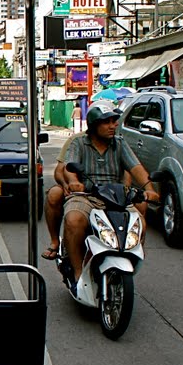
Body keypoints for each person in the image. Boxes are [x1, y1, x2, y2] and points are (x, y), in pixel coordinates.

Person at [61, 100, 159, 282]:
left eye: (114, 121)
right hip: (87, 196)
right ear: (94, 125)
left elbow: (136, 167)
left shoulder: (120, 144)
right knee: (73, 220)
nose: (113, 126)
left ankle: (128, 263)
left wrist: (149, 189)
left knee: (140, 225)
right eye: (107, 122)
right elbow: (69, 167)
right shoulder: (79, 143)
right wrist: (74, 182)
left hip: (117, 197)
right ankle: (77, 271)